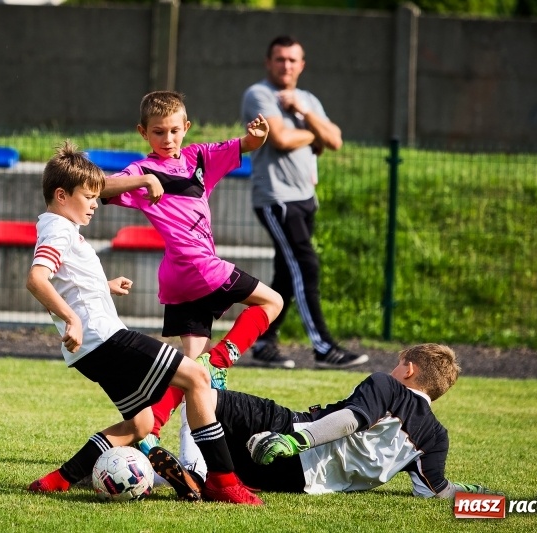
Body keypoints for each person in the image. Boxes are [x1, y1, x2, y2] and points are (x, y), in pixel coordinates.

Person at [24, 140, 262, 505]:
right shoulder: (59, 230)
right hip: (106, 340)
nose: (94, 204)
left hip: (90, 350)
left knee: (141, 425)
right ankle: (223, 481)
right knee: (198, 377)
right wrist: (72, 319)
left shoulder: (61, 229)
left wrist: (104, 287)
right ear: (61, 195)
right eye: (89, 196)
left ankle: (61, 478)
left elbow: (65, 281)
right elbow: (37, 279)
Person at [100, 90, 284, 450]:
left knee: (190, 371)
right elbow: (100, 186)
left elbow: (244, 144)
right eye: (157, 132)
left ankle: (152, 435)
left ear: (186, 127)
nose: (166, 139)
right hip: (199, 267)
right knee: (272, 302)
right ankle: (221, 361)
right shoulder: (141, 170)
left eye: (172, 130)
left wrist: (257, 138)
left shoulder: (199, 157)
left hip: (178, 278)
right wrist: (142, 180)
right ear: (143, 133)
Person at [148, 343, 500, 501]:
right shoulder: (436, 437)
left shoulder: (388, 385)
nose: (394, 369)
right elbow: (436, 491)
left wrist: (294, 441)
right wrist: (476, 496)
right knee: (224, 449)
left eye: (399, 364)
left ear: (409, 370)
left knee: (201, 391)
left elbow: (351, 419)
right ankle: (186, 477)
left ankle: (191, 471)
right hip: (294, 482)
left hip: (291, 434)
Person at [241, 35, 368, 370]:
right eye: (280, 59)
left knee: (286, 274)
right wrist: (315, 131)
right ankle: (324, 347)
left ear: (302, 64)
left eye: (292, 60)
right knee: (305, 265)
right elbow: (281, 139)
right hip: (276, 198)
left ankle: (264, 341)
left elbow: (336, 140)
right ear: (269, 63)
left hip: (305, 197)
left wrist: (304, 113)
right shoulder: (260, 95)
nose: (286, 65)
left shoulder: (307, 99)